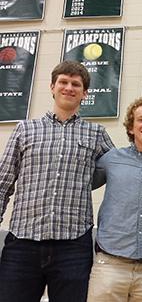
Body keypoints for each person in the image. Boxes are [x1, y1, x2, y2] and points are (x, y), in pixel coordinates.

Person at [0, 61, 115, 302]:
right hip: (23, 242)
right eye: (63, 82)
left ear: (85, 93)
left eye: (76, 84)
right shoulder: (25, 130)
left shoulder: (96, 134)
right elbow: (4, 181)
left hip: (73, 245)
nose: (69, 88)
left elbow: (121, 170)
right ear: (52, 87)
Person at [87, 97, 142, 301]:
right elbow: (81, 186)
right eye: (141, 119)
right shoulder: (111, 159)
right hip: (110, 263)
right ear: (131, 128)